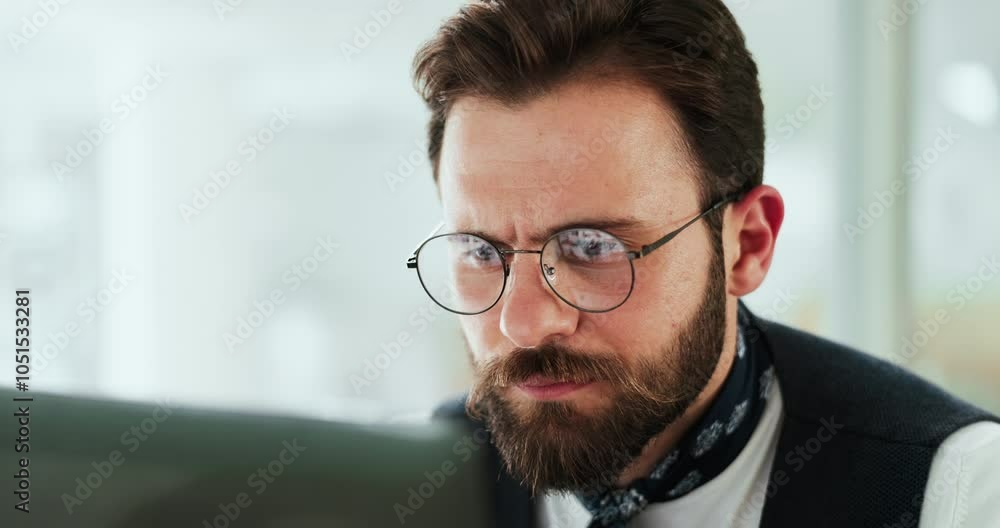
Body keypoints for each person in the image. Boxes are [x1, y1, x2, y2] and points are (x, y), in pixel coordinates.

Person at [404, 0, 1000, 526]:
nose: (524, 325)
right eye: (481, 252)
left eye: (592, 247)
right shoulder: (415, 484)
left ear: (748, 244)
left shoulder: (954, 493)